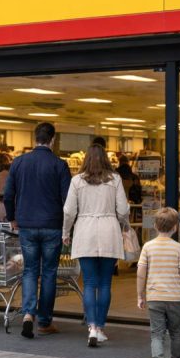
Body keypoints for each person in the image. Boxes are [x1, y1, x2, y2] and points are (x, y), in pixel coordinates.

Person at [4, 122, 71, 339]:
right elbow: (67, 200)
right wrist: (67, 226)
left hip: (27, 225)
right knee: (49, 272)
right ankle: (44, 321)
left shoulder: (19, 162)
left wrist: (13, 217)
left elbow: (8, 194)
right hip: (52, 225)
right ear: (53, 139)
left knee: (30, 270)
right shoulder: (59, 165)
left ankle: (27, 314)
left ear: (35, 138)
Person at [62, 144, 129, 347]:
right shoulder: (115, 179)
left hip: (85, 230)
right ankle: (100, 327)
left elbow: (69, 211)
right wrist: (123, 224)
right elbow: (124, 209)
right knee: (105, 283)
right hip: (109, 230)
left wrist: (66, 231)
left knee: (89, 282)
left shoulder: (77, 181)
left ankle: (91, 327)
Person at [137, 207, 180, 358]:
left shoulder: (148, 247)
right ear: (175, 227)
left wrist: (140, 295)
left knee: (157, 334)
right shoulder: (179, 248)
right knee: (176, 332)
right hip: (175, 297)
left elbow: (140, 273)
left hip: (155, 297)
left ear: (154, 226)